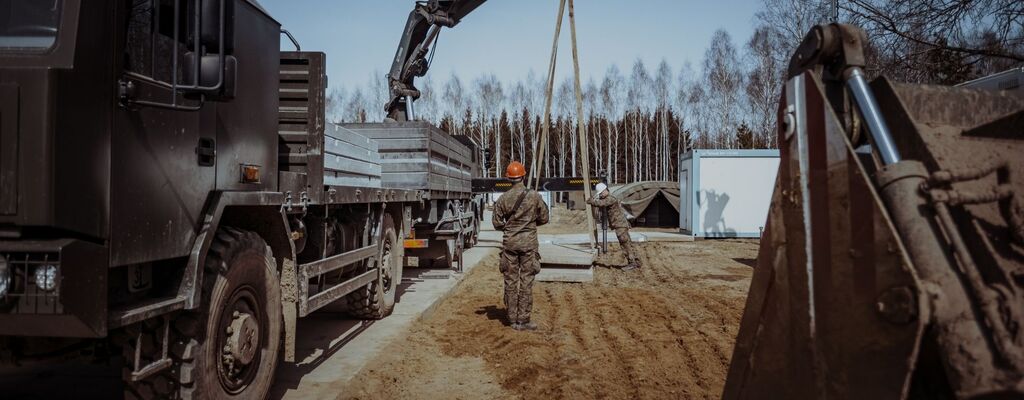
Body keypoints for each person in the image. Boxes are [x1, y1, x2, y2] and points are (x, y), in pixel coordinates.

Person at [491, 161, 549, 331]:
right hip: (529, 244)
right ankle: (523, 320)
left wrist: (510, 227)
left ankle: (511, 318)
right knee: (526, 281)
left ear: (509, 179)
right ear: (523, 176)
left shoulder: (503, 198)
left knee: (510, 280)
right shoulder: (534, 196)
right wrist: (528, 224)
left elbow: (496, 222)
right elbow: (544, 218)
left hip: (509, 244)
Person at [587, 182, 641, 270]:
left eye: (601, 193)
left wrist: (591, 201)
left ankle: (632, 263)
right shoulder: (609, 198)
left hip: (620, 225)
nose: (600, 195)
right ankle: (636, 261)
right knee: (628, 243)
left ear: (605, 191)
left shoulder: (611, 199)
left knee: (625, 244)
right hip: (620, 224)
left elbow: (601, 203)